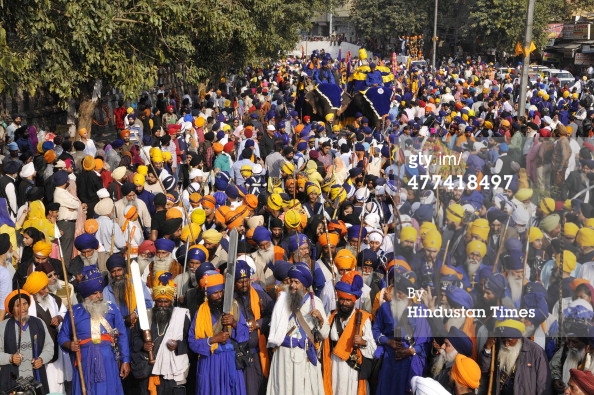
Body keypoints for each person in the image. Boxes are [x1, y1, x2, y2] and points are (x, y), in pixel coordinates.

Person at [58, 265, 131, 395]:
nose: (99, 296)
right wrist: (69, 344)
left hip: (108, 360)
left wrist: (125, 360)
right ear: (86, 296)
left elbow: (123, 335)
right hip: (84, 362)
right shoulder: (74, 312)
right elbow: (62, 336)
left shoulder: (112, 309)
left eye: (100, 292)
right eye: (94, 293)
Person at [267, 263, 330, 395]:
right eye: (291, 281)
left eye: (297, 282)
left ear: (305, 285)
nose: (293, 285)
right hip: (282, 356)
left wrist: (321, 320)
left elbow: (324, 334)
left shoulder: (315, 302)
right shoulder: (282, 300)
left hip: (302, 357)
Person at [188, 271, 249, 395]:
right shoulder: (200, 313)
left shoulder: (234, 307)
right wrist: (213, 339)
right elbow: (192, 342)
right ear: (208, 294)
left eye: (221, 291)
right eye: (215, 293)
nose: (219, 295)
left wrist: (234, 323)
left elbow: (245, 335)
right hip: (210, 362)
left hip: (230, 360)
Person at [130, 271, 191, 394]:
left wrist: (178, 345)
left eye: (166, 302)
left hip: (172, 373)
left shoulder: (181, 315)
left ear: (171, 301)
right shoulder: (145, 315)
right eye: (159, 302)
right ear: (155, 301)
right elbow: (134, 337)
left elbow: (190, 340)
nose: (162, 305)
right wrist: (143, 345)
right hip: (149, 369)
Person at [322, 271, 376, 395]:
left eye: (348, 300)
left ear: (354, 301)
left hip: (353, 370)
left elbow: (373, 349)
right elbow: (323, 338)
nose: (344, 303)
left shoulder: (363, 318)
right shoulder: (331, 316)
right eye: (341, 299)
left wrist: (363, 342)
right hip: (334, 367)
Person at [0, 289, 54, 393]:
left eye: (25, 304)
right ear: (12, 309)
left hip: (36, 380)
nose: (23, 308)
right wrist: (10, 358)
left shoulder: (39, 323)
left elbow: (49, 347)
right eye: (18, 305)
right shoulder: (3, 327)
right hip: (12, 382)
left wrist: (41, 359)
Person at [479, 318, 551, 395]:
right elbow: (485, 370)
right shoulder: (497, 347)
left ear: (518, 338)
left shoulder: (536, 352)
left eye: (509, 340)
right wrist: (487, 348)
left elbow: (543, 385)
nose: (506, 344)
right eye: (504, 340)